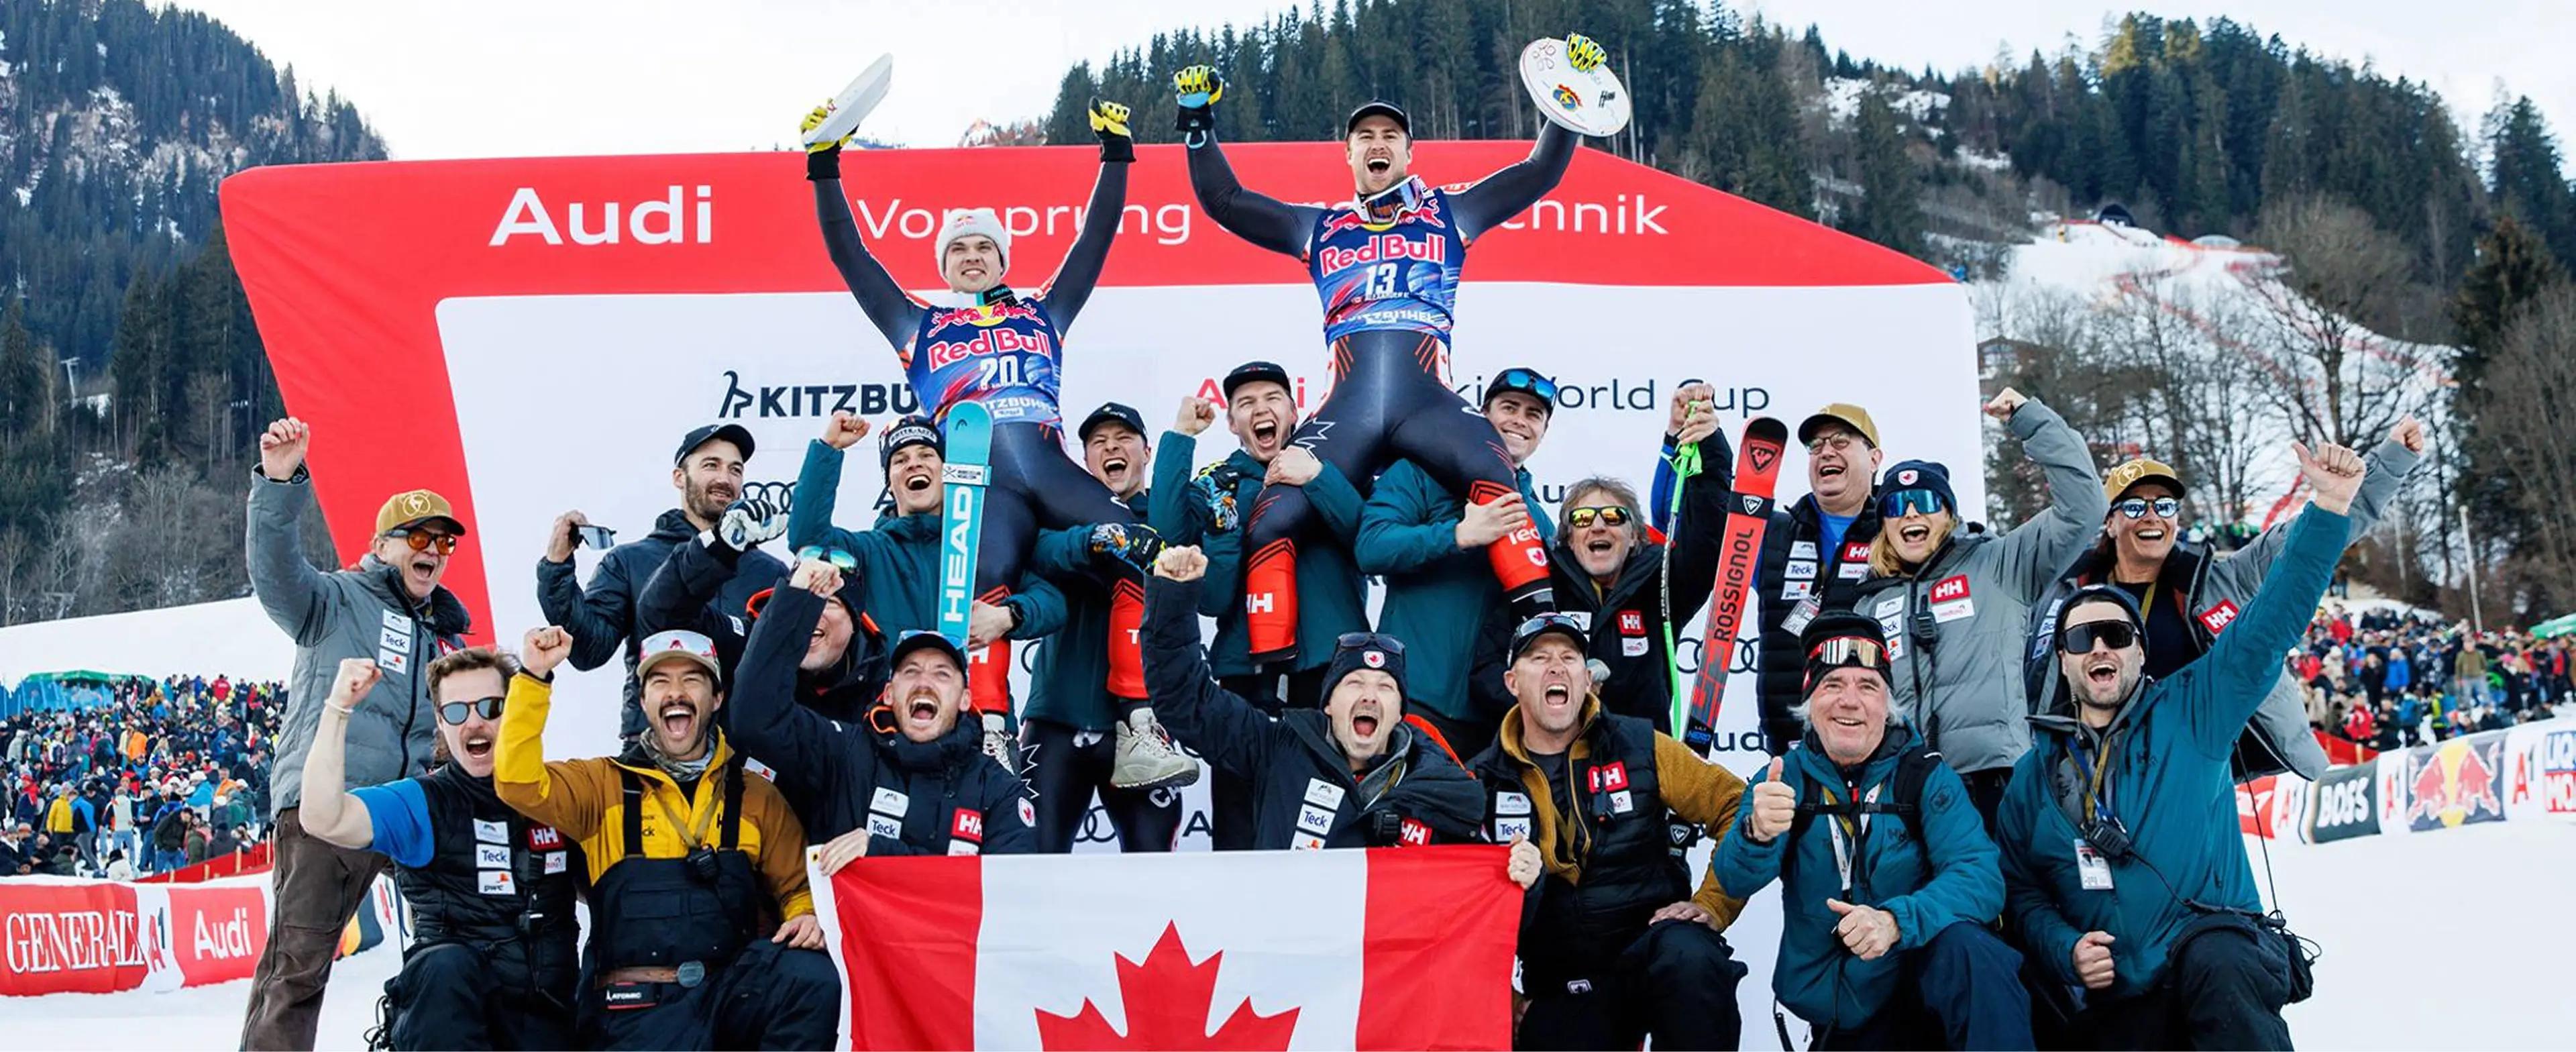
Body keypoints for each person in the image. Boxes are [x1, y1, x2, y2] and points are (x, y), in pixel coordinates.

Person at [1173, 50, 1609, 663]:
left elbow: (1539, 172)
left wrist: (1566, 99)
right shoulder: (1319, 229)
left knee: (1498, 481)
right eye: (1364, 137)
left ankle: (1545, 633)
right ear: (1348, 156)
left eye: (1391, 137)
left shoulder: (1449, 213)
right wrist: (1197, 125)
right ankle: (1276, 678)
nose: (1378, 144)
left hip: (1426, 403)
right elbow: (1224, 199)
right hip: (1348, 411)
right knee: (1271, 517)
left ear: (1409, 155)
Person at [802, 92, 1167, 723]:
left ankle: (1140, 721)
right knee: (973, 591)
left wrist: (1116, 155)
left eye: (984, 248)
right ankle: (989, 723)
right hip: (982, 490)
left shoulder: (1043, 312)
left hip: (1051, 473)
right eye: (959, 250)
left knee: (1145, 547)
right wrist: (824, 165)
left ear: (1003, 259)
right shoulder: (918, 325)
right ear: (944, 266)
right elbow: (850, 256)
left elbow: (1096, 238)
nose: (972, 256)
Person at [2003, 440, 2363, 1051]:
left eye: (2117, 634)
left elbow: (2273, 618)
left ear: (2142, 652)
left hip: (2213, 956)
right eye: (2084, 636)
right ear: (2061, 660)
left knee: (2221, 967)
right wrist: (2064, 948)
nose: (2101, 649)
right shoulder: (2035, 775)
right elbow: (2021, 890)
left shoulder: (2197, 709)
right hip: (2122, 992)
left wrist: (2328, 508)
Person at [241, 417, 475, 1051]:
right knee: (299, 967)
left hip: (405, 812)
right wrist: (282, 481)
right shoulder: (335, 599)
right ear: (382, 544)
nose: (434, 549)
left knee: (459, 947)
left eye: (445, 542)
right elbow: (275, 571)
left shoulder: (445, 635)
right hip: (326, 808)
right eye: (419, 536)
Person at [2025, 416, 2425, 782]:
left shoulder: (2227, 578)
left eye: (2164, 505)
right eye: (2134, 506)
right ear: (2110, 523)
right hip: (2120, 789)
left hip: (2246, 781)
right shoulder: (2066, 599)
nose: (2151, 516)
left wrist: (2388, 462)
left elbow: (2316, 531)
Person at [496, 625, 837, 1050]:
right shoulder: (601, 784)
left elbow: (798, 887)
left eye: (692, 680)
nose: (676, 692)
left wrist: (806, 915)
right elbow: (517, 782)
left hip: (728, 994)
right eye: (660, 681)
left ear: (716, 700)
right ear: (643, 702)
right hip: (635, 1009)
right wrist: (534, 678)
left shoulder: (756, 794)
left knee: (810, 977)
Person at [1711, 613, 2030, 1049]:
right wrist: (1756, 833)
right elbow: (1736, 878)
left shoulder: (1926, 776)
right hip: (1842, 1018)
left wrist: (1895, 921)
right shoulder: (1783, 778)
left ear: (1887, 704)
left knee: (1971, 948)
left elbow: (1981, 879)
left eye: (1868, 687)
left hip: (1924, 996)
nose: (1850, 702)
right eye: (1833, 686)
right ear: (1809, 703)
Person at [1473, 613, 1751, 1050]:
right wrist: (1501, 998)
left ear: (1587, 678)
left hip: (1654, 952)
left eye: (1569, 656)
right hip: (1560, 979)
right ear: (1512, 682)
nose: (1556, 667)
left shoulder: (1641, 743)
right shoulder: (1479, 782)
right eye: (1538, 657)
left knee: (1692, 958)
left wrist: (1715, 903)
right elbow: (1455, 911)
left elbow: (1739, 805)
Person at [1839, 388, 2104, 826]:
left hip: (1995, 782)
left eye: (1924, 503)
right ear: (1883, 523)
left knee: (2003, 895)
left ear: (1948, 514)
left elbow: (2084, 508)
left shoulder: (2000, 563)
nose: (1909, 514)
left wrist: (2031, 420)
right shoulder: (1871, 600)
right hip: (1907, 790)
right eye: (1895, 506)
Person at [294, 650, 578, 1050]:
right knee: (447, 966)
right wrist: (338, 707)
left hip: (547, 1020)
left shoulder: (555, 797)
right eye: (457, 712)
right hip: (454, 1022)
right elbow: (323, 817)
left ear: (514, 709)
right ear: (442, 722)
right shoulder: (423, 802)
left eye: (491, 707)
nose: (475, 722)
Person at [1141, 546, 1483, 849]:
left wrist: (1526, 873)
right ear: (1329, 705)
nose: (1370, 697)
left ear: (1399, 713)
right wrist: (1173, 600)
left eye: (1385, 687)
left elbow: (1480, 883)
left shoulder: (1435, 782)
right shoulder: (1275, 748)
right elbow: (1185, 700)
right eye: (1354, 683)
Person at [785, 413, 1072, 766]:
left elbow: (1054, 602)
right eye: (900, 460)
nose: (913, 464)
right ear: (889, 483)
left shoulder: (986, 544)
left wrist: (1008, 616)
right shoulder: (868, 551)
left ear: (946, 471)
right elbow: (807, 539)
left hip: (978, 732)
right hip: (890, 730)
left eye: (926, 455)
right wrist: (828, 450)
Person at [729, 556, 1038, 857]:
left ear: (965, 700)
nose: (924, 683)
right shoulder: (844, 754)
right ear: (889, 693)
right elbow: (756, 716)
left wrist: (879, 852)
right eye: (911, 671)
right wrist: (795, 599)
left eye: (942, 674)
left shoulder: (996, 788)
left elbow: (1009, 894)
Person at [1357, 366, 1560, 762]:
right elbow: (1371, 547)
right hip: (1411, 699)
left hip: (1495, 715)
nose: (1520, 421)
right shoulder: (1421, 474)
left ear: (1543, 433)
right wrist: (1457, 536)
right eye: (1509, 407)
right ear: (1483, 417)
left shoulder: (1539, 519)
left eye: (1533, 415)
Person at [537, 423, 788, 741]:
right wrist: (556, 568)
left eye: (735, 470)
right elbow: (589, 650)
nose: (725, 479)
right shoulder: (630, 561)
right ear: (679, 478)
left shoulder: (770, 572)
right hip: (654, 753)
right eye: (711, 465)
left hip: (745, 755)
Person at [1016, 402, 1194, 851]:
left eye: (1123, 439)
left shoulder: (1168, 512)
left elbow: (1199, 579)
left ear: (1147, 452)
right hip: (1056, 719)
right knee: (1029, 864)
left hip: (1142, 726)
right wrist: (1095, 540)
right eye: (1099, 442)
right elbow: (1038, 553)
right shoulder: (1058, 513)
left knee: (1152, 865)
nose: (1111, 448)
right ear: (1085, 461)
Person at [1538, 386, 1735, 734]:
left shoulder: (1661, 587)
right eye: (1583, 519)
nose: (1598, 525)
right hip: (1557, 765)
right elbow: (1492, 674)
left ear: (1634, 537)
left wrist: (1711, 451)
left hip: (1643, 767)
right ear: (1569, 538)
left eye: (1614, 517)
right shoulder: (1541, 589)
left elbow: (1704, 537)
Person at [1751, 404, 1890, 756]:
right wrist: (1685, 445)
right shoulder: (1773, 534)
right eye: (1816, 446)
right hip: (1790, 745)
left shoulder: (1896, 534)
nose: (1826, 451)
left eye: (1842, 441)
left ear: (1874, 459)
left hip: (1877, 744)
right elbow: (1697, 537)